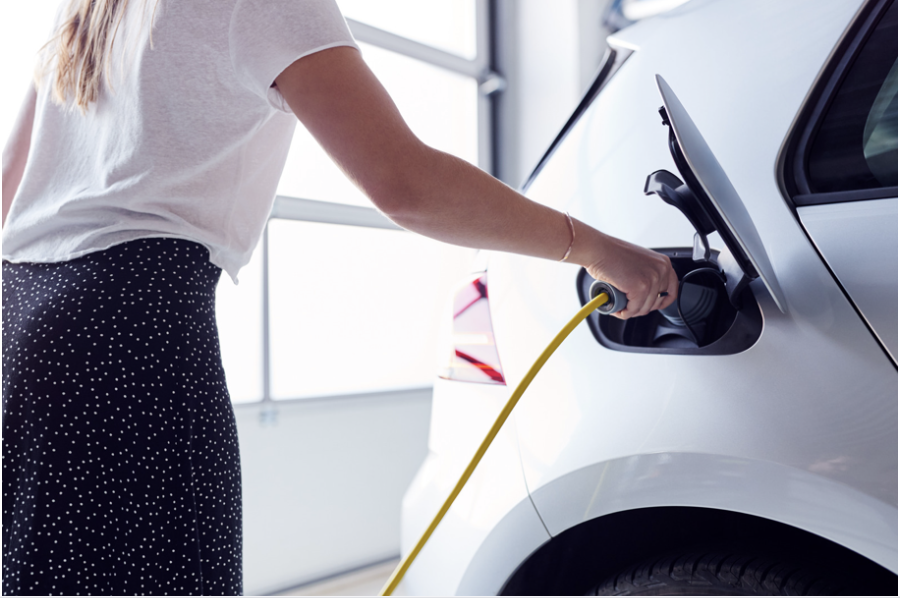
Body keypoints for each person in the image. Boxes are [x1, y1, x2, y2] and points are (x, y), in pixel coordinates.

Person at [1, 0, 678, 594]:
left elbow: (9, 186)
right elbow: (405, 183)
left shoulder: (91, 7)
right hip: (126, 330)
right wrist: (594, 247)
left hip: (22, 318)